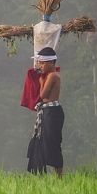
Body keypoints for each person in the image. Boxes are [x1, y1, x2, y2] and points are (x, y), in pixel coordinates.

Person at [27, 47, 64, 177]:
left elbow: (43, 95)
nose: (40, 66)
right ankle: (41, 174)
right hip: (47, 111)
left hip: (52, 112)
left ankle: (59, 175)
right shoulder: (49, 75)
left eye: (42, 63)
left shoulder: (53, 76)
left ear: (51, 63)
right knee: (42, 141)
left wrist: (41, 81)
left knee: (52, 142)